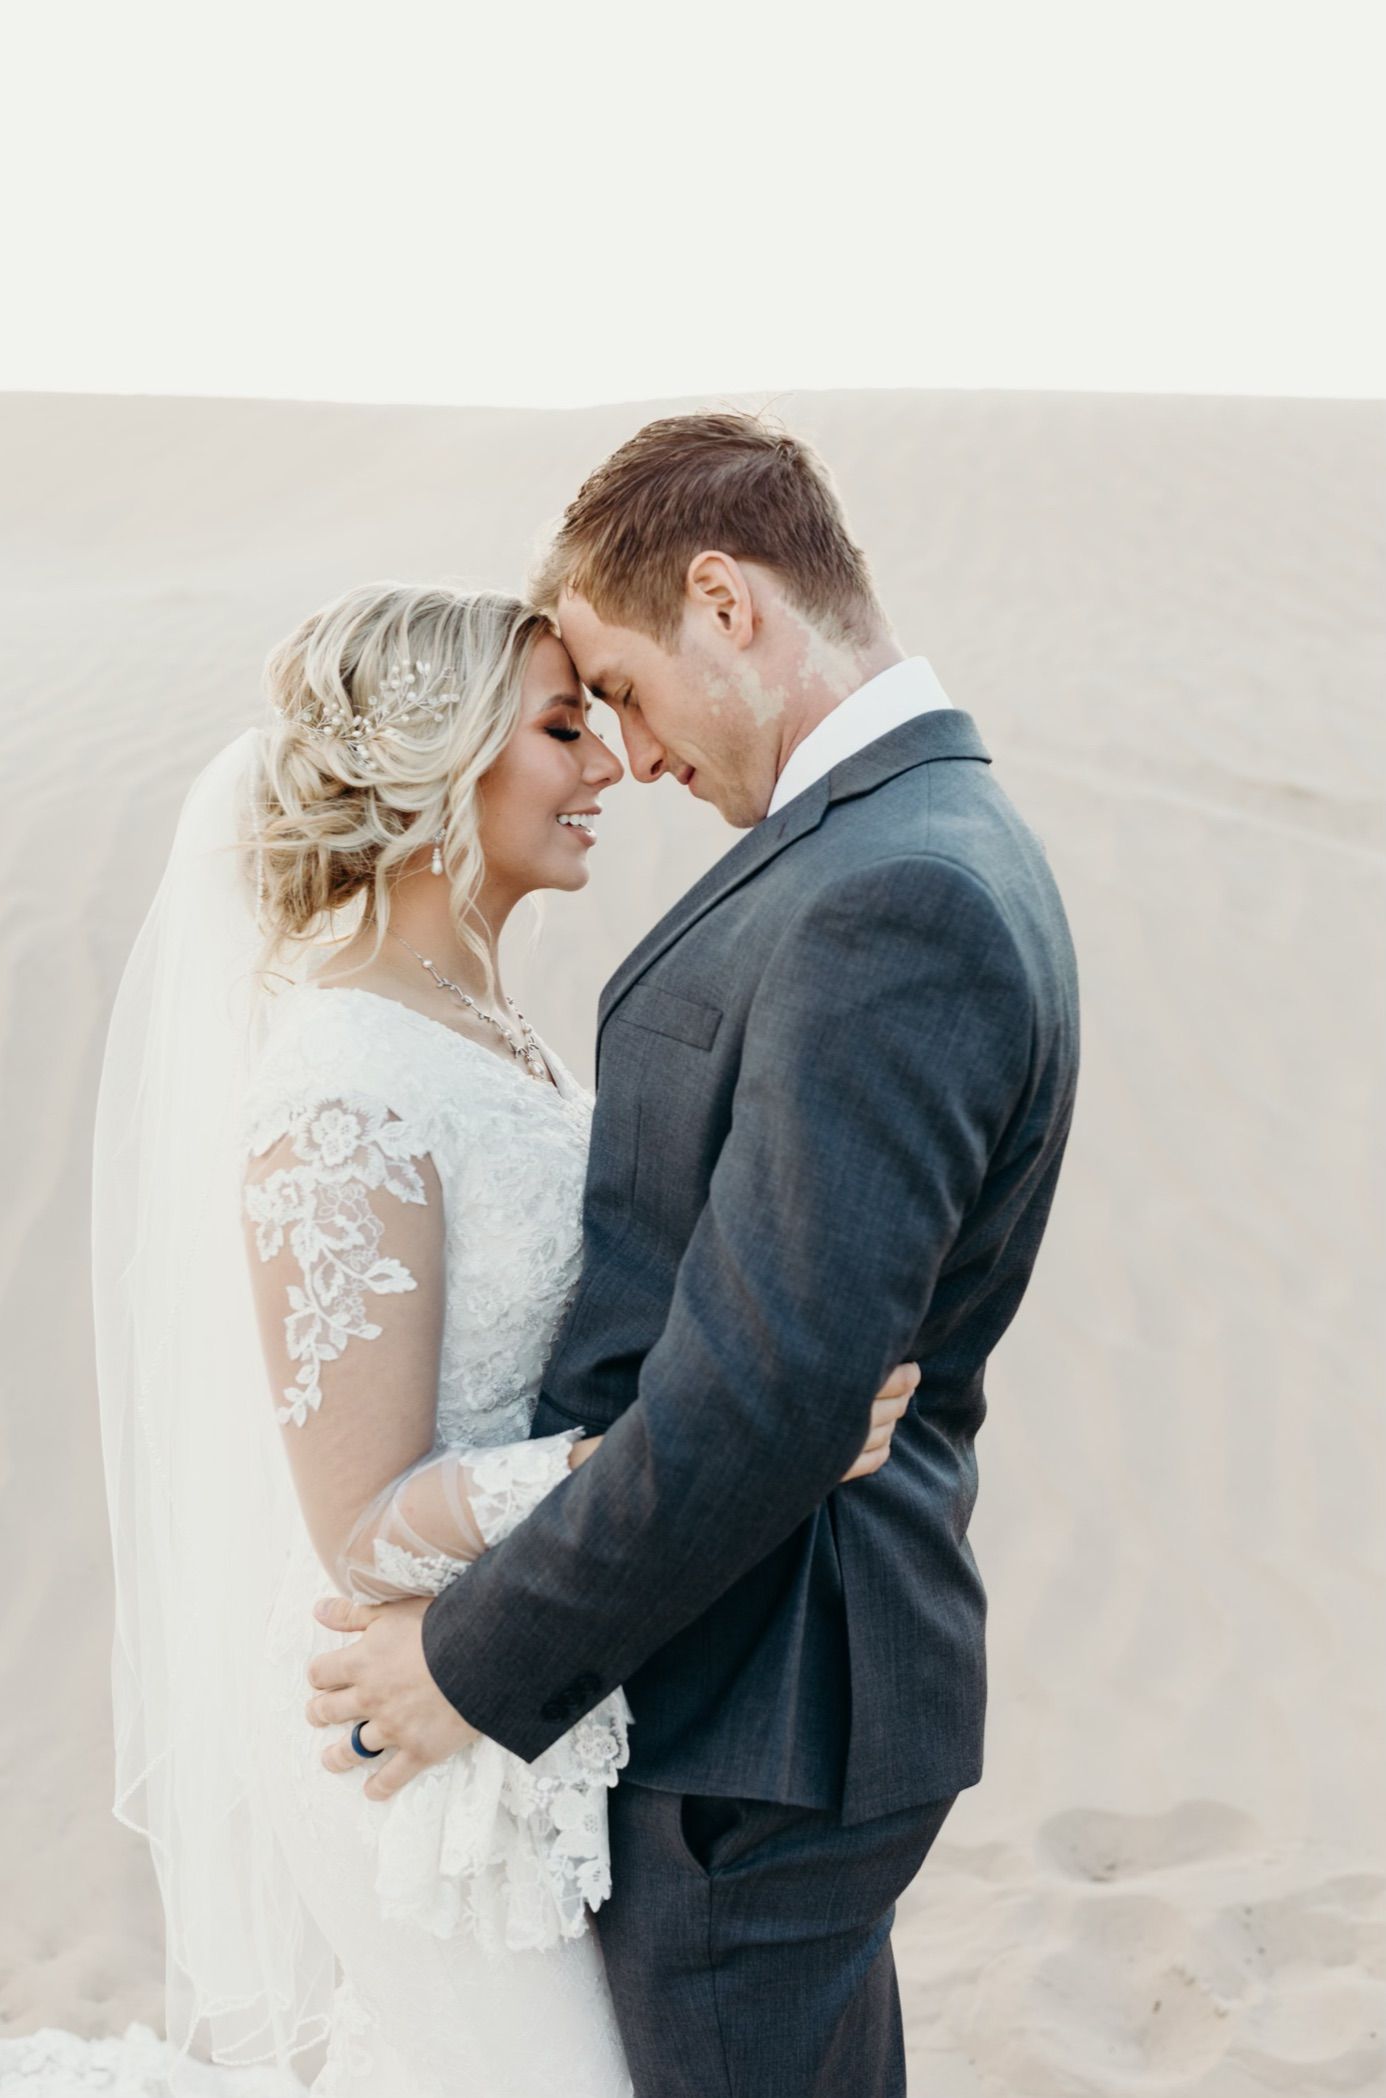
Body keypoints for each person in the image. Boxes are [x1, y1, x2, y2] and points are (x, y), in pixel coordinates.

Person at [305, 414, 1081, 2097]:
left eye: (623, 692)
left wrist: (467, 1657)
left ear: (724, 601)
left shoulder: (893, 892)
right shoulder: (912, 838)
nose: (629, 759)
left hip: (758, 1705)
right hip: (763, 1694)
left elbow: (775, 1391)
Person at [89, 576, 914, 2098]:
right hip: (399, 1716)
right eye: (559, 726)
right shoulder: (341, 1083)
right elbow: (361, 1525)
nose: (608, 763)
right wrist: (704, 1453)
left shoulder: (496, 1033)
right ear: (437, 757)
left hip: (539, 1670)